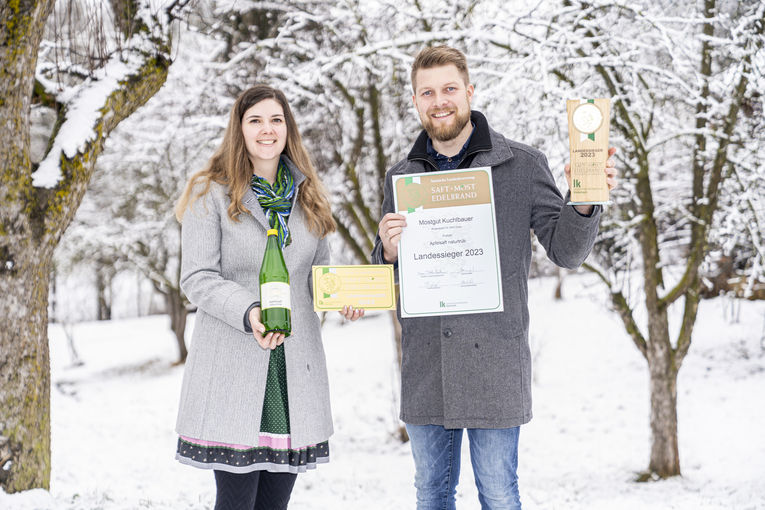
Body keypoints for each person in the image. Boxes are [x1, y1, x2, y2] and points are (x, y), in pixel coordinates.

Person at [370, 46, 618, 509]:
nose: (439, 100)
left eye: (448, 89)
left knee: (500, 495)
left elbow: (566, 250)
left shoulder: (521, 165)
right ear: (414, 100)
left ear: (468, 91)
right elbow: (389, 275)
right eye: (427, 92)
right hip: (428, 366)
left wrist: (583, 200)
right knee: (431, 493)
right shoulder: (400, 177)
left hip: (494, 364)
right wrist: (386, 250)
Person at [174, 84, 363, 510]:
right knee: (237, 502)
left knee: (276, 504)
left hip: (293, 371)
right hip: (235, 364)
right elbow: (197, 277)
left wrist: (343, 297)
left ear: (288, 129)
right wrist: (248, 310)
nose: (267, 129)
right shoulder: (210, 192)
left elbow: (317, 277)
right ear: (239, 130)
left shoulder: (307, 195)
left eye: (276, 120)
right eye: (255, 120)